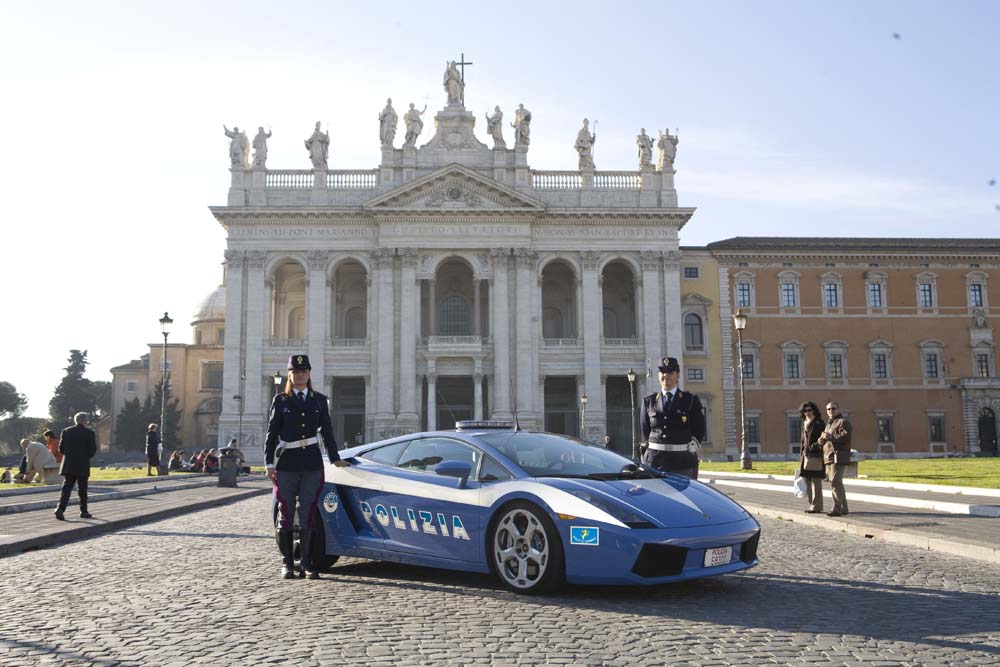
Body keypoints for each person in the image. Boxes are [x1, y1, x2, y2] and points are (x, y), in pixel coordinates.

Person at [266, 354, 348, 580]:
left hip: (311, 463)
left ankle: (307, 563)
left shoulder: (319, 400)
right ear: (289, 375)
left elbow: (327, 432)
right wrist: (269, 463)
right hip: (287, 464)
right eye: (295, 372)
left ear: (309, 373)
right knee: (286, 513)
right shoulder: (281, 401)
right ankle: (287, 563)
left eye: (303, 371)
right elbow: (272, 434)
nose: (300, 375)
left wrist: (335, 458)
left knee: (308, 514)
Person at [640, 357, 706, 478]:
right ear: (658, 375)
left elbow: (699, 428)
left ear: (677, 375)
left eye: (670, 372)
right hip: (654, 462)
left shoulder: (690, 400)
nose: (666, 376)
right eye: (663, 372)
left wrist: (692, 446)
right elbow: (645, 431)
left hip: (683, 463)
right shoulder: (648, 401)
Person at [55, 412, 97, 520]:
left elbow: (61, 449)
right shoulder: (90, 433)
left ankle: (60, 508)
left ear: (76, 420)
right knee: (82, 489)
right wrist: (85, 456)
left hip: (69, 464)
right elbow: (92, 450)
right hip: (82, 464)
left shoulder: (66, 431)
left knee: (67, 488)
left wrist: (70, 455)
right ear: (85, 421)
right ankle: (84, 511)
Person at [819, 402, 852, 517]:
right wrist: (821, 440)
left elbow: (845, 436)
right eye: (828, 409)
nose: (831, 411)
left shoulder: (843, 422)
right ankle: (844, 508)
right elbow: (827, 439)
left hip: (838, 456)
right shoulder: (829, 423)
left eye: (833, 408)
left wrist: (829, 436)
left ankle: (837, 509)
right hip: (828, 457)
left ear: (838, 409)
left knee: (835, 482)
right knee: (836, 483)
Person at [797, 401, 826, 514]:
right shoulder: (804, 422)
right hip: (805, 456)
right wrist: (802, 454)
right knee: (807, 480)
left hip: (816, 456)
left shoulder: (819, 423)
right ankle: (811, 505)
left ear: (814, 410)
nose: (807, 412)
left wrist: (812, 447)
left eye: (809, 410)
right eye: (805, 411)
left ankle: (817, 506)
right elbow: (802, 441)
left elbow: (822, 440)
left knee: (816, 482)